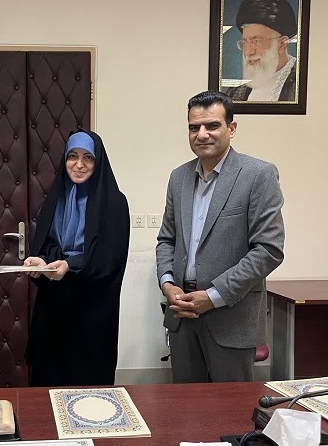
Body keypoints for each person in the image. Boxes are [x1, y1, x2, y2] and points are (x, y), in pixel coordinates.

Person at [156, 91, 285, 383]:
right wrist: (167, 284)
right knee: (186, 405)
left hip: (231, 316)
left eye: (212, 125)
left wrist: (213, 297)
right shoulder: (178, 178)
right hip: (182, 314)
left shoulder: (258, 175)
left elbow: (268, 249)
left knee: (231, 407)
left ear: (232, 128)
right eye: (194, 127)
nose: (202, 134)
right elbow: (167, 239)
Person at [23, 130, 130, 386]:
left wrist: (70, 264)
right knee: (49, 381)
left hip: (92, 308)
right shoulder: (55, 198)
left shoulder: (114, 203)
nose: (79, 164)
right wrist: (43, 262)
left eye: (87, 157)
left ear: (98, 161)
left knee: (87, 385)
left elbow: (110, 257)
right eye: (72, 156)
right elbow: (46, 244)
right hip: (54, 304)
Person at [227, 0, 298, 102]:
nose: (248, 52)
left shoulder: (300, 84)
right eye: (245, 42)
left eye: (256, 41)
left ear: (282, 44)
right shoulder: (237, 91)